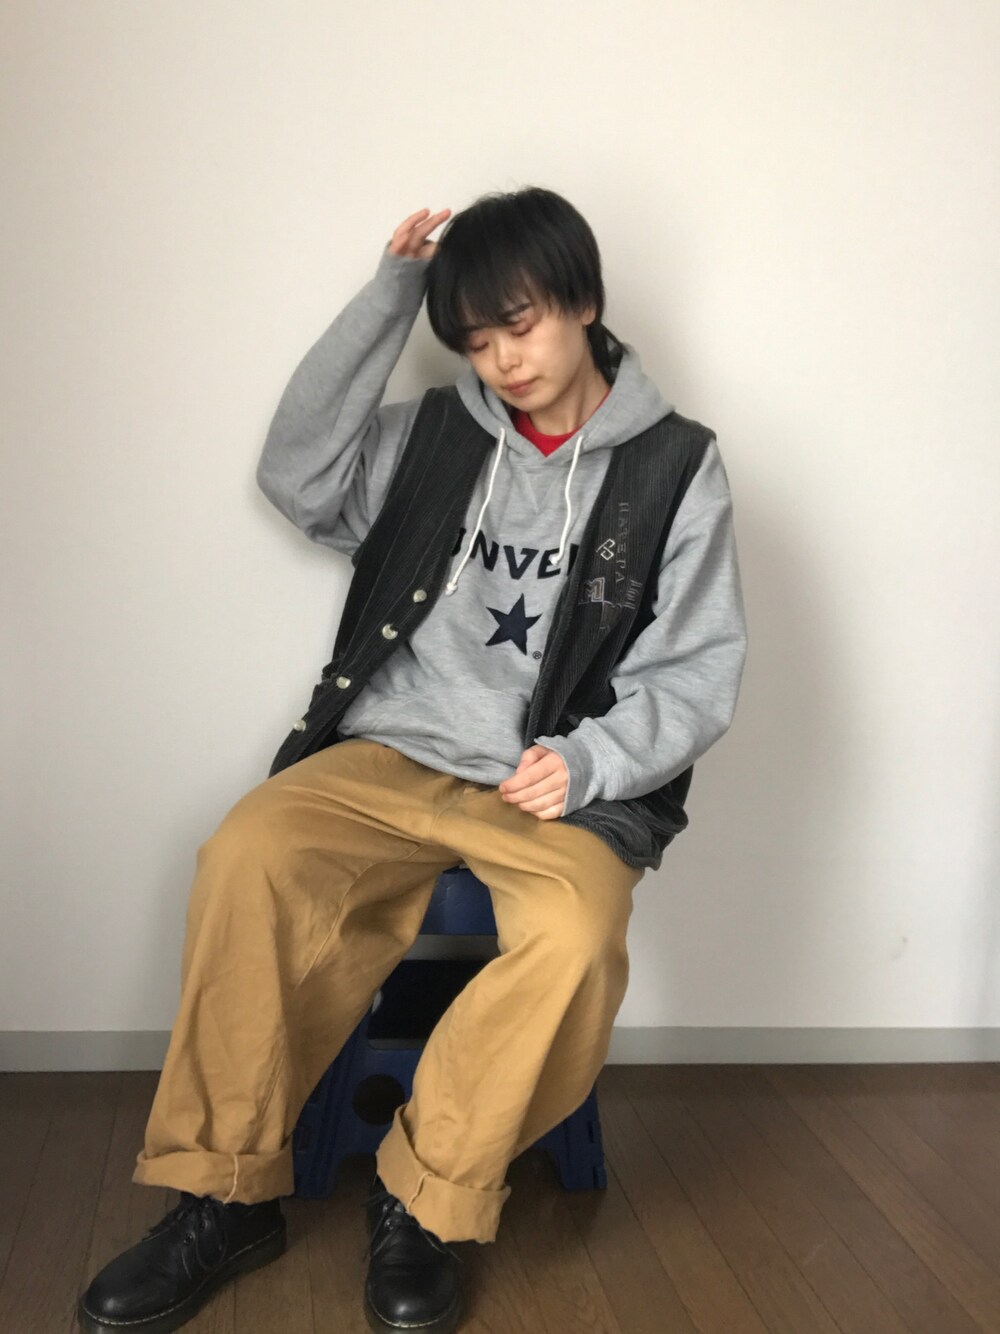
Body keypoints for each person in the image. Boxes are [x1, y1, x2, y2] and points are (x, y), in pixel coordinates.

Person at [77, 187, 748, 1334]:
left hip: (551, 785)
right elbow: (297, 478)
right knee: (247, 852)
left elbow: (695, 666)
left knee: (577, 939)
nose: (502, 361)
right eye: (476, 341)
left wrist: (591, 761)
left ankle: (426, 1192)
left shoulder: (676, 466)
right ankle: (222, 1191)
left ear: (584, 301)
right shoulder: (433, 437)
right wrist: (389, 298)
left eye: (519, 326)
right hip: (389, 752)